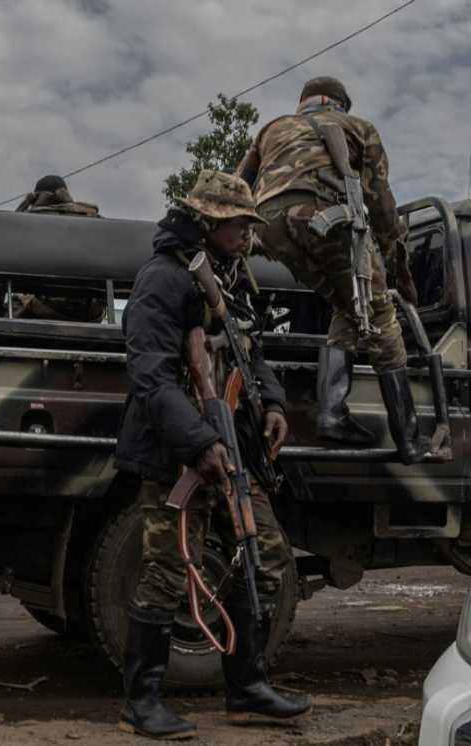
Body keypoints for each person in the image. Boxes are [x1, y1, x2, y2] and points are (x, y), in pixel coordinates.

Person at [114, 171, 310, 739]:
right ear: (209, 222)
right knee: (169, 570)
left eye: (251, 225)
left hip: (236, 446)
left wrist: (272, 404)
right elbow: (150, 375)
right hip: (178, 452)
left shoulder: (231, 280)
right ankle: (140, 702)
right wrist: (199, 443)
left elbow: (254, 352)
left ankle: (246, 688)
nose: (249, 234)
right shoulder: (163, 280)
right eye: (240, 224)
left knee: (265, 557)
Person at [237, 76, 428, 464]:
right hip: (321, 215)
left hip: (267, 225)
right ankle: (410, 440)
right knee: (380, 316)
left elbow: (238, 183)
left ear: (303, 102)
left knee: (347, 303)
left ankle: (332, 414)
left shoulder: (271, 128)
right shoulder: (358, 128)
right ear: (341, 104)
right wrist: (392, 261)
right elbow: (381, 204)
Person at [5, 175, 106, 322]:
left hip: (42, 307)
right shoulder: (94, 219)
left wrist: (22, 208)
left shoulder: (27, 220)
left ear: (36, 197)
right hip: (89, 310)